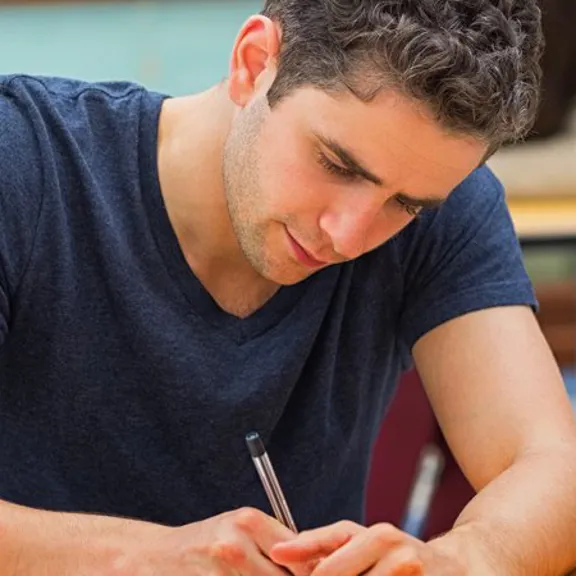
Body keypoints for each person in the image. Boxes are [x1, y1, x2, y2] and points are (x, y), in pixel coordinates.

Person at [0, 0, 575, 574]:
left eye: (403, 204)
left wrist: (461, 560)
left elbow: (552, 467)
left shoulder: (444, 211)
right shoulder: (21, 160)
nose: (347, 237)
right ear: (254, 64)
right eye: (337, 165)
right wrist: (147, 558)